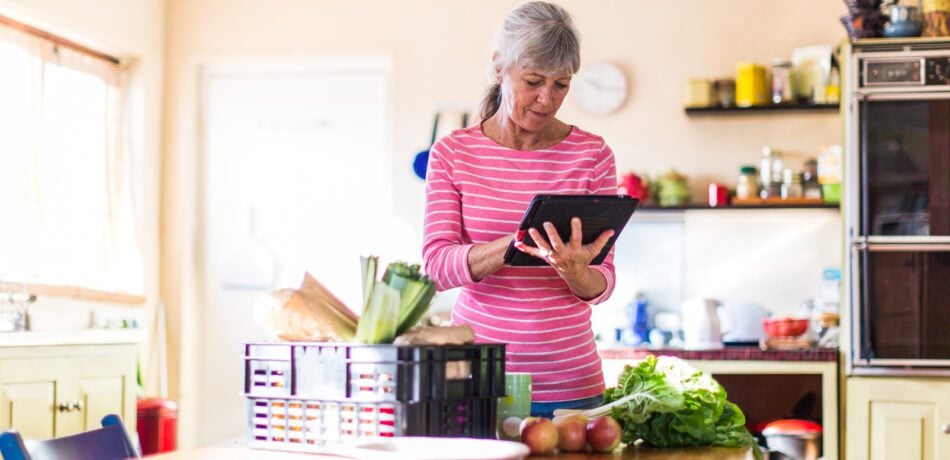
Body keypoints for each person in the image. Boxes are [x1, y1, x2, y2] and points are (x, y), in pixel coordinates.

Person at [421, 1, 618, 418]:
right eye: (533, 81)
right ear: (498, 67)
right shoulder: (453, 153)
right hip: (480, 382)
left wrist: (575, 270)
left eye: (561, 85)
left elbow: (604, 281)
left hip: (571, 383)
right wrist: (516, 243)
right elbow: (436, 268)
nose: (546, 99)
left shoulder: (592, 155)